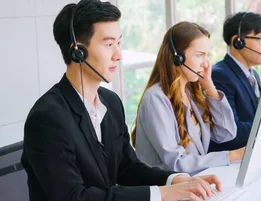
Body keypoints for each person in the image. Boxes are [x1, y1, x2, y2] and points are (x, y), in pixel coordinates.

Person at [21, 1, 220, 201]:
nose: (118, 55)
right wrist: (162, 194)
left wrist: (176, 179)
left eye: (119, 43)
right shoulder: (47, 118)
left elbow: (127, 168)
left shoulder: (111, 102)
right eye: (109, 44)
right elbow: (73, 197)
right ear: (78, 52)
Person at [131, 21, 244, 176]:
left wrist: (209, 86)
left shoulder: (191, 93)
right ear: (178, 58)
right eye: (200, 55)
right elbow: (176, 163)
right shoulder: (156, 99)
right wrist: (231, 156)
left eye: (207, 56)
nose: (206, 64)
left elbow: (226, 133)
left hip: (192, 184)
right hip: (165, 191)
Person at [209, 12, 261, 152]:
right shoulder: (220, 75)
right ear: (238, 41)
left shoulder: (252, 74)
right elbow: (232, 131)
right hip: (231, 160)